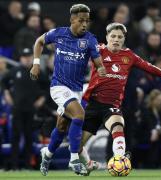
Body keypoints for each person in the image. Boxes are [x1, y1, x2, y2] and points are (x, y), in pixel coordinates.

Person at [39, 22, 161, 175]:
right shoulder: (97, 49)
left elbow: (150, 67)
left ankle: (119, 159)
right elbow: (75, 50)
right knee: (76, 145)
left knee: (118, 126)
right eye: (113, 36)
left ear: (123, 39)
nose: (116, 39)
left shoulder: (129, 56)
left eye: (120, 37)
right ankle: (82, 161)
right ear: (107, 37)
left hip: (111, 105)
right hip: (90, 104)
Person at [30, 4, 106, 176]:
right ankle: (74, 160)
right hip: (58, 86)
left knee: (62, 126)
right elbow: (39, 41)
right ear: (72, 20)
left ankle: (47, 154)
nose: (85, 24)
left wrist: (101, 68)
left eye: (87, 21)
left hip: (76, 90)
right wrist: (35, 64)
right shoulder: (58, 33)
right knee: (79, 115)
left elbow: (98, 62)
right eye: (81, 20)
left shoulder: (90, 39)